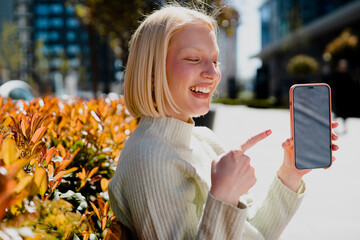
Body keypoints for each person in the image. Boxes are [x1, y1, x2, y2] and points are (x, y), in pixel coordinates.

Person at [108, 5, 339, 239]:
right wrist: (223, 196)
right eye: (193, 58)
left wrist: (290, 174)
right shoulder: (150, 157)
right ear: (152, 72)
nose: (212, 73)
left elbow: (253, 234)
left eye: (215, 61)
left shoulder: (203, 139)